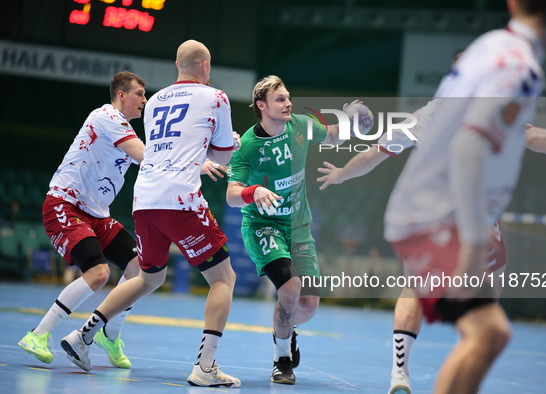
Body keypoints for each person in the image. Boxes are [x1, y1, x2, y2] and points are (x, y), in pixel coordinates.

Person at [324, 1, 546, 392]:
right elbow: (533, 139)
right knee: (487, 325)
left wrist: (342, 173)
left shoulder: (427, 113)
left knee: (467, 314)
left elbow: (374, 155)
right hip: (461, 215)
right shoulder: (503, 84)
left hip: (417, 213)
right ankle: (441, 365)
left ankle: (399, 375)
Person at [60, 39, 242, 388]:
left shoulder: (156, 100)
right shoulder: (215, 97)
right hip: (180, 200)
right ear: (204, 67)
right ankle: (204, 367)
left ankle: (82, 336)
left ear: (178, 66)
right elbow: (220, 160)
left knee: (149, 278)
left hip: (144, 200)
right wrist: (230, 143)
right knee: (223, 278)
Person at [18, 71, 147, 369]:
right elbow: (147, 157)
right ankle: (39, 334)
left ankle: (109, 336)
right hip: (65, 204)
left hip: (97, 215)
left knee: (141, 273)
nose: (144, 99)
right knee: (99, 273)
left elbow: (153, 163)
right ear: (121, 96)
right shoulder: (105, 117)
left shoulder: (126, 130)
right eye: (139, 93)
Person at [226, 75, 350, 385]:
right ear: (261, 105)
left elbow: (333, 136)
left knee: (308, 305)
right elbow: (231, 195)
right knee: (290, 289)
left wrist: (352, 121)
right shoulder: (247, 147)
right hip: (262, 226)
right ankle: (281, 359)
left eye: (288, 97)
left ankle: (283, 330)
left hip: (298, 226)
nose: (288, 103)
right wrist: (253, 191)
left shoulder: (301, 125)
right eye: (280, 99)